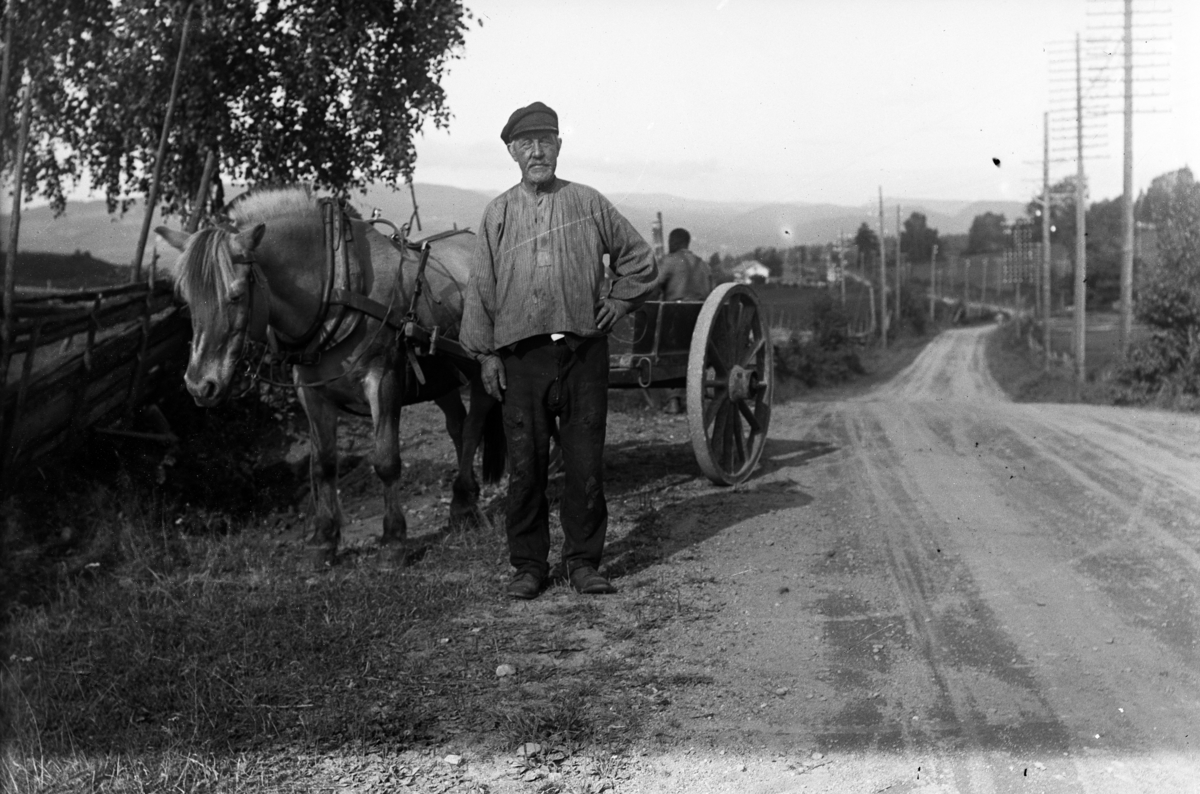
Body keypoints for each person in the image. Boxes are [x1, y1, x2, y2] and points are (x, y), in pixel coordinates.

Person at [460, 101, 658, 600]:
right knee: (526, 468)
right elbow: (481, 287)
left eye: (546, 140)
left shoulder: (589, 203)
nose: (537, 151)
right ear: (511, 152)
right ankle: (529, 566)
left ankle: (584, 563)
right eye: (526, 143)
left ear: (559, 146)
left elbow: (639, 260)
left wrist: (618, 301)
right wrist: (485, 355)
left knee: (586, 463)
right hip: (520, 361)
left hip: (581, 355)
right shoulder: (498, 213)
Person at [654, 227, 712, 413]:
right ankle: (695, 398)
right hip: (701, 321)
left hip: (675, 319)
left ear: (674, 242)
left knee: (664, 352)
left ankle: (673, 401)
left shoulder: (670, 262)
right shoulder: (703, 265)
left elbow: (653, 287)